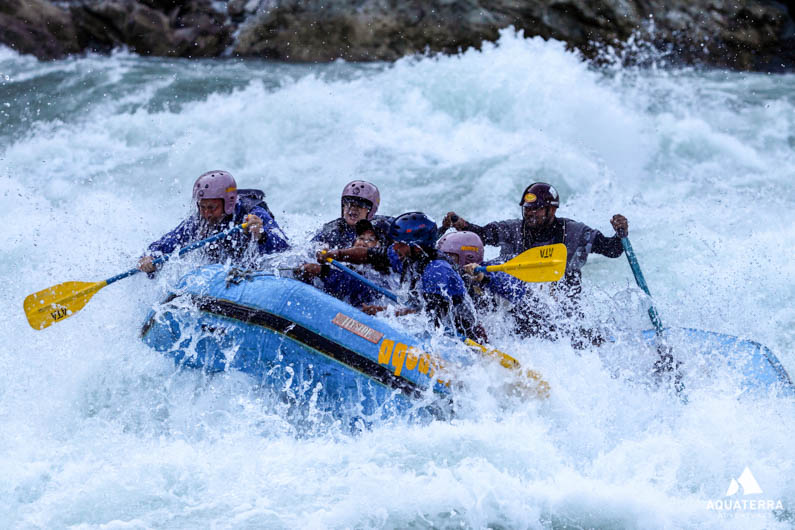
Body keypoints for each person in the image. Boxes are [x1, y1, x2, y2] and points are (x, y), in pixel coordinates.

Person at [442, 182, 628, 301]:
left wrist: (621, 234)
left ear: (552, 210)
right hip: (515, 302)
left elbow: (612, 250)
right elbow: (483, 235)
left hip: (563, 311)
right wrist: (463, 224)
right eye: (527, 209)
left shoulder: (574, 232)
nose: (530, 213)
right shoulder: (512, 229)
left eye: (536, 209)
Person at [321, 212, 484, 341]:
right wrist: (337, 254)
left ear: (418, 247)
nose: (395, 246)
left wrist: (384, 311)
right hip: (435, 317)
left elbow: (427, 317)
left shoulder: (437, 271)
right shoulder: (406, 254)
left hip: (463, 334)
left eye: (400, 243)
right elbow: (368, 254)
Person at [139, 170, 288, 274]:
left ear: (228, 203)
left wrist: (262, 236)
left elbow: (285, 248)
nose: (206, 214)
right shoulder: (199, 221)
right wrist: (149, 257)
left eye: (212, 208)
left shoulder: (253, 213)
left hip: (256, 274)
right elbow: (165, 244)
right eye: (202, 207)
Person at [295, 219, 385, 308]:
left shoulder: (382, 273)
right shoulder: (344, 260)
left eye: (370, 240)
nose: (363, 243)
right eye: (361, 238)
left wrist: (323, 272)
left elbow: (359, 289)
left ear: (379, 247)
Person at [311, 180, 393, 249]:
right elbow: (311, 248)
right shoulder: (333, 230)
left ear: (370, 210)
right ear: (343, 207)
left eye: (360, 205)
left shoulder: (383, 227)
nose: (353, 208)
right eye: (348, 203)